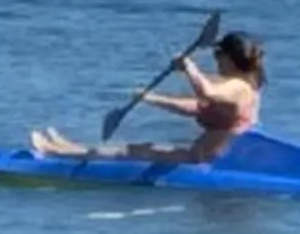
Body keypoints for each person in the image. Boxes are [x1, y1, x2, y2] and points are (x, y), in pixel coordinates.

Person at [31, 30, 265, 162]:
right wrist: (151, 98)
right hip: (202, 155)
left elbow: (207, 92)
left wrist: (189, 67)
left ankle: (58, 153)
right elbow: (199, 106)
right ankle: (68, 148)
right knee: (140, 148)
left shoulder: (238, 87)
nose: (216, 61)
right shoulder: (239, 86)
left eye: (218, 57)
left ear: (230, 59)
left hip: (203, 160)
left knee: (132, 151)